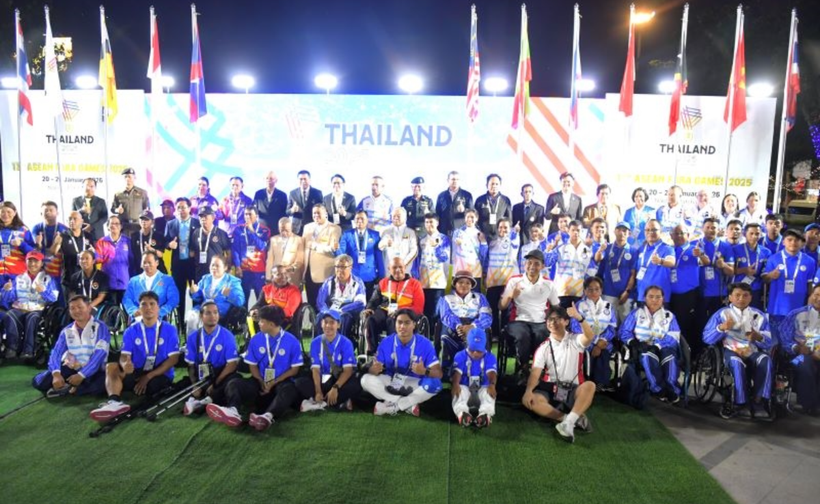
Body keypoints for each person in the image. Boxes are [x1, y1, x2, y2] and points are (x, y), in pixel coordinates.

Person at [206, 304, 303, 430]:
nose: (259, 324)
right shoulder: (256, 339)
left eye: (262, 321)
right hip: (259, 382)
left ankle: (267, 417)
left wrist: (274, 382)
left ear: (272, 324)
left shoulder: (292, 341)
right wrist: (260, 380)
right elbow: (253, 365)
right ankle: (233, 410)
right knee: (234, 383)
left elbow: (294, 370)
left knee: (289, 390)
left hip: (280, 383)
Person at [89, 291, 180, 421]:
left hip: (159, 374)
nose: (148, 307)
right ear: (139, 308)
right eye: (144, 304)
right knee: (111, 366)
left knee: (154, 387)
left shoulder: (169, 329)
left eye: (152, 304)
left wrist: (148, 377)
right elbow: (124, 355)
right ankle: (114, 402)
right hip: (136, 371)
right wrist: (125, 363)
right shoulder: (131, 330)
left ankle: (135, 391)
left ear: (158, 307)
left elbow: (173, 359)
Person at [522, 305, 595, 443]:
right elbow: (535, 373)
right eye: (550, 320)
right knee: (532, 400)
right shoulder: (543, 347)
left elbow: (590, 336)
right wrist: (529, 390)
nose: (552, 323)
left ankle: (569, 421)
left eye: (557, 319)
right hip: (550, 388)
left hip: (573, 388)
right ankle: (568, 419)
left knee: (590, 386)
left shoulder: (576, 340)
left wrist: (579, 318)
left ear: (566, 321)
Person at [703, 282, 774, 420]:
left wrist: (758, 336)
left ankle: (759, 401)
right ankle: (741, 403)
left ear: (751, 298)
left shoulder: (759, 316)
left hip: (751, 350)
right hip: (730, 350)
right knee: (736, 362)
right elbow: (706, 338)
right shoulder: (722, 314)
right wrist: (721, 328)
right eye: (737, 295)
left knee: (766, 360)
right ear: (730, 297)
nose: (741, 298)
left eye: (745, 295)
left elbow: (770, 342)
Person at [361, 308, 442, 416]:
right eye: (399, 322)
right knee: (365, 380)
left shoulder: (425, 344)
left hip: (415, 382)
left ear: (414, 324)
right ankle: (406, 405)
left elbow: (439, 373)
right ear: (395, 324)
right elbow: (374, 369)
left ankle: (393, 406)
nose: (402, 327)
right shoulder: (386, 342)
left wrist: (424, 371)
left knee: (435, 384)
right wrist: (373, 370)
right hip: (391, 381)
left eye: (407, 323)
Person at [31, 295, 110, 397]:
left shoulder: (101, 327)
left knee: (99, 386)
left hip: (96, 371)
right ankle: (70, 387)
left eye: (80, 307)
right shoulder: (66, 331)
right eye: (72, 308)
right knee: (41, 382)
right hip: (73, 368)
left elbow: (99, 355)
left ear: (89, 307)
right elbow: (56, 353)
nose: (76, 311)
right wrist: (56, 374)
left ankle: (71, 389)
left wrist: (82, 375)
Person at [499, 249, 560, 375]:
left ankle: (538, 369)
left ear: (542, 266)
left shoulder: (548, 284)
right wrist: (510, 295)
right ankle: (524, 368)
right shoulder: (514, 281)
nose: (532, 266)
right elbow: (501, 306)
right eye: (529, 262)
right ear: (524, 264)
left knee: (542, 334)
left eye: (536, 263)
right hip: (518, 321)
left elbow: (556, 307)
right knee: (522, 335)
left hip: (540, 321)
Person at [620, 285, 683, 403]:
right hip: (644, 346)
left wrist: (658, 345)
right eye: (651, 297)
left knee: (670, 358)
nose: (654, 300)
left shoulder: (669, 316)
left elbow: (674, 335)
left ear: (663, 299)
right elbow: (624, 331)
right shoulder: (636, 313)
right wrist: (633, 342)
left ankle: (673, 390)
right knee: (647, 355)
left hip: (664, 347)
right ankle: (659, 389)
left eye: (658, 297)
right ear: (645, 298)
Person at [181, 300, 242, 416]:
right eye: (208, 313)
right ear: (201, 316)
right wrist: (195, 385)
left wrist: (214, 384)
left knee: (233, 382)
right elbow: (190, 365)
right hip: (202, 374)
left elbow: (232, 365)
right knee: (184, 384)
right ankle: (200, 400)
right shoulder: (193, 337)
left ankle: (199, 402)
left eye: (215, 313)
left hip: (221, 374)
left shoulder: (227, 335)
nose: (212, 316)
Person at [296, 309, 362, 413]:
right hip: (321, 380)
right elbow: (316, 370)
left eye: (332, 322)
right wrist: (318, 391)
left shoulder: (346, 343)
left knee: (356, 385)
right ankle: (336, 402)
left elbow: (348, 370)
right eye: (325, 322)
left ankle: (317, 403)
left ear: (338, 325)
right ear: (321, 324)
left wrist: (335, 388)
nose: (328, 325)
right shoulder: (315, 342)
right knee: (300, 382)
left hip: (338, 381)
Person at [2, 251, 60, 359]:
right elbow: (9, 298)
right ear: (26, 262)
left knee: (32, 318)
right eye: (30, 261)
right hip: (20, 308)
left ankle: (28, 351)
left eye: (35, 261)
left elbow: (54, 298)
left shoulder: (48, 279)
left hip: (38, 310)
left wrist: (43, 291)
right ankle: (12, 348)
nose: (32, 264)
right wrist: (7, 290)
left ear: (42, 263)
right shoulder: (19, 278)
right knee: (9, 315)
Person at [363, 257, 425, 355]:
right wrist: (369, 308)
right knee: (371, 320)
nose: (397, 270)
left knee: (393, 321)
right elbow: (374, 300)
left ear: (405, 267)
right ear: (389, 269)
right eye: (394, 267)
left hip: (406, 312)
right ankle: (373, 353)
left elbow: (418, 307)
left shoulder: (415, 284)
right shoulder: (383, 282)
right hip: (385, 309)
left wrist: (401, 311)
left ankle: (393, 353)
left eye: (400, 267)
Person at [763, 228, 815, 342]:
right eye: (789, 240)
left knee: (795, 339)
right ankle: (776, 359)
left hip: (798, 307)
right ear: (783, 242)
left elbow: (810, 285)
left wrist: (810, 305)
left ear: (802, 243)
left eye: (797, 240)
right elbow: (765, 280)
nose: (793, 243)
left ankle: (792, 359)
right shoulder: (774, 258)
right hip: (777, 307)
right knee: (776, 340)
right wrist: (770, 275)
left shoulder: (809, 261)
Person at [693, 217, 735, 355]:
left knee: (717, 325)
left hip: (719, 292)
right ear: (702, 229)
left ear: (719, 230)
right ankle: (699, 352)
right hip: (698, 292)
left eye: (714, 227)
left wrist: (723, 265)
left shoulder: (726, 247)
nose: (711, 230)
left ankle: (715, 354)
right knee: (699, 323)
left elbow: (731, 271)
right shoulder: (694, 245)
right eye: (708, 227)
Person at [438, 270, 492, 371]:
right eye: (461, 282)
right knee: (445, 336)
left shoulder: (480, 298)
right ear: (455, 284)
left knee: (481, 335)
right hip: (454, 326)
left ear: (472, 285)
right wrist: (458, 326)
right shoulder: (446, 298)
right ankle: (448, 369)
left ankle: (478, 369)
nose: (464, 285)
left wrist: (473, 326)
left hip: (475, 325)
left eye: (468, 283)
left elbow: (486, 316)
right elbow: (446, 316)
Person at [571, 277, 617, 390]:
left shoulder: (608, 306)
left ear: (601, 290)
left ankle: (601, 383)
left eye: (597, 289)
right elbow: (576, 327)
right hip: (585, 339)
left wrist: (602, 341)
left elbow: (612, 327)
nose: (593, 292)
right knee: (590, 350)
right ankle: (586, 380)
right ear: (585, 291)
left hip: (603, 342)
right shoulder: (578, 305)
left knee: (604, 351)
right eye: (590, 289)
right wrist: (596, 341)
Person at [780, 284, 820, 416]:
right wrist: (796, 348)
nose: (818, 299)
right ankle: (809, 405)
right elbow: (784, 338)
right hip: (798, 356)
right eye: (816, 295)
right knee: (805, 365)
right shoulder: (796, 314)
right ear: (811, 296)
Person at [451, 328, 498, 428]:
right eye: (472, 350)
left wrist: (492, 385)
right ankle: (462, 414)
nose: (475, 353)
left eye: (479, 350)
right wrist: (455, 385)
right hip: (466, 390)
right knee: (460, 390)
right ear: (468, 345)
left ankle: (485, 414)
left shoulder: (490, 357)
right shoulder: (460, 355)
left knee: (488, 392)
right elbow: (457, 373)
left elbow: (492, 373)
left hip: (481, 390)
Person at [165, 197, 200, 325]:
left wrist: (194, 250)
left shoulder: (197, 223)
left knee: (195, 293)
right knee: (179, 295)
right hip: (178, 266)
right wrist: (169, 245)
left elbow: (202, 241)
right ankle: (180, 324)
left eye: (184, 207)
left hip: (193, 265)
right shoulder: (171, 224)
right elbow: (165, 241)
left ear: (189, 208)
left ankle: (196, 322)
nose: (181, 210)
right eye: (178, 207)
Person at [544, 220, 595, 307]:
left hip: (579, 293)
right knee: (561, 318)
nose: (576, 233)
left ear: (582, 231)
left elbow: (590, 272)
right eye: (573, 230)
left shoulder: (588, 250)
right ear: (568, 231)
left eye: (578, 230)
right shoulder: (561, 248)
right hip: (562, 292)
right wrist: (548, 251)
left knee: (575, 319)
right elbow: (547, 263)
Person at [188, 256, 245, 333]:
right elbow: (198, 298)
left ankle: (205, 341)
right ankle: (192, 342)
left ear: (225, 268)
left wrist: (229, 294)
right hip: (203, 308)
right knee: (192, 315)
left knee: (207, 316)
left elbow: (240, 301)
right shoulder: (206, 279)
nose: (214, 268)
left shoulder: (232, 281)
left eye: (217, 265)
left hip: (220, 311)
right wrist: (194, 292)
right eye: (212, 265)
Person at [668, 224, 701, 356]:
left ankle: (690, 358)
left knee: (688, 327)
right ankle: (676, 355)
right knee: (674, 327)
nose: (679, 236)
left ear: (688, 235)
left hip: (689, 296)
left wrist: (702, 255)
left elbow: (705, 261)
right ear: (671, 236)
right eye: (676, 233)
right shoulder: (669, 251)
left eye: (682, 233)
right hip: (671, 296)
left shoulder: (693, 250)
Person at [316, 254, 367, 337]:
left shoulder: (358, 283)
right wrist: (327, 312)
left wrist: (343, 310)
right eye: (337, 267)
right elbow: (320, 301)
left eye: (343, 267)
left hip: (347, 312)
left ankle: (340, 345)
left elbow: (360, 303)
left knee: (343, 319)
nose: (339, 270)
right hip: (330, 310)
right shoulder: (328, 282)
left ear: (350, 268)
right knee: (320, 317)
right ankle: (322, 344)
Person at [595, 221, 636, 323]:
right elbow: (597, 259)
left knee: (626, 323)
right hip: (608, 291)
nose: (621, 233)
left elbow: (633, 274)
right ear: (614, 231)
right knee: (607, 322)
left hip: (627, 294)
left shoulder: (633, 251)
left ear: (629, 233)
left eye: (624, 230)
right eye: (619, 230)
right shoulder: (607, 247)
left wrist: (627, 291)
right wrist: (600, 250)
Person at [482, 218, 519, 331]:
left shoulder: (513, 241)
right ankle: (494, 334)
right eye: (501, 227)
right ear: (497, 229)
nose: (503, 230)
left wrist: (516, 231)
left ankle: (505, 333)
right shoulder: (492, 243)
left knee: (506, 310)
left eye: (506, 227)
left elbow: (514, 238)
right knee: (491, 308)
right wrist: (484, 275)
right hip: (493, 282)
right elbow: (486, 260)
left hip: (508, 282)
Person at [337, 211, 383, 300]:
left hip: (370, 275)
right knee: (354, 303)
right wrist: (336, 249)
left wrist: (381, 275)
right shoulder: (347, 234)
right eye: (357, 218)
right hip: (353, 275)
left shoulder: (375, 235)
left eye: (362, 219)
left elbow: (379, 256)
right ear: (354, 220)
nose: (359, 221)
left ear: (367, 220)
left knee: (369, 303)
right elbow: (341, 254)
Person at [302, 204, 341, 308]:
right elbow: (303, 248)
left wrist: (315, 246)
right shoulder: (307, 227)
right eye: (314, 213)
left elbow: (332, 249)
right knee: (312, 304)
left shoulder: (334, 228)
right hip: (309, 273)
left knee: (325, 305)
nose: (316, 215)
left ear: (325, 214)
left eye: (318, 213)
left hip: (325, 273)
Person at [122, 251, 179, 321]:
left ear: (157, 263)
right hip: (139, 317)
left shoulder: (167, 280)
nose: (146, 265)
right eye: (144, 263)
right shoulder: (133, 281)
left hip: (159, 317)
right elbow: (127, 299)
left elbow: (174, 299)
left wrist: (161, 311)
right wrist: (133, 311)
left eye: (149, 262)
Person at [231, 207, 271, 302]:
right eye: (246, 214)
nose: (247, 216)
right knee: (243, 299)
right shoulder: (238, 229)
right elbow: (235, 249)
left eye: (250, 214)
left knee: (261, 300)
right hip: (244, 269)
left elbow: (262, 246)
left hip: (259, 270)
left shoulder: (264, 230)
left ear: (256, 216)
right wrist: (237, 266)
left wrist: (252, 231)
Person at [417, 213, 450, 324]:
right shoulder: (422, 240)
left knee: (436, 311)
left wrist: (436, 247)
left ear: (437, 223)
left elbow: (445, 258)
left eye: (431, 222)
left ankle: (435, 336)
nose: (429, 224)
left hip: (438, 280)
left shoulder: (444, 239)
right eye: (426, 222)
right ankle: (426, 334)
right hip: (424, 280)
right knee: (425, 309)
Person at [633, 219, 675, 305]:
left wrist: (661, 261)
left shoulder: (667, 248)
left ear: (661, 231)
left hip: (659, 298)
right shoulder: (641, 249)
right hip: (642, 296)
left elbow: (671, 262)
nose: (650, 232)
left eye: (654, 230)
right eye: (647, 230)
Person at [733, 223, 771, 309]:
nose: (754, 236)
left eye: (757, 234)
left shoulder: (766, 252)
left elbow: (766, 270)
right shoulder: (735, 249)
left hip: (757, 288)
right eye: (751, 233)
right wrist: (744, 270)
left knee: (754, 314)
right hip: (739, 287)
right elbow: (730, 270)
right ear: (744, 234)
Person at [27, 201, 68, 281]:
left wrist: (57, 244)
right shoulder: (36, 228)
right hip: (41, 264)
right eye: (46, 210)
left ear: (57, 213)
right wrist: (38, 244)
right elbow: (35, 248)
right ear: (41, 214)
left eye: (51, 210)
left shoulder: (64, 229)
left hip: (58, 265)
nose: (48, 212)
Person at [95, 216, 131, 305]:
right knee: (111, 312)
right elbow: (97, 260)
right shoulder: (101, 242)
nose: (114, 226)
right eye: (111, 223)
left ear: (121, 226)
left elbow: (132, 262)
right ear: (107, 226)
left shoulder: (128, 241)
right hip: (108, 283)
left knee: (128, 312)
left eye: (117, 223)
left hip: (125, 283)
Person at [57, 211, 94, 295]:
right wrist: (56, 243)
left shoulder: (88, 236)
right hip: (69, 279)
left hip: (87, 279)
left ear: (81, 221)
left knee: (86, 306)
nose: (72, 221)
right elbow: (53, 252)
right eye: (70, 219)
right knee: (71, 306)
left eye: (75, 219)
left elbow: (95, 255)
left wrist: (94, 253)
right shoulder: (62, 236)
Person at [190, 206, 231, 282]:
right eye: (201, 216)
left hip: (216, 272)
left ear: (213, 217)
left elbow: (228, 253)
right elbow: (192, 253)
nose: (203, 219)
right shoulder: (196, 233)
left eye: (205, 216)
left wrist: (227, 268)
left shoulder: (221, 233)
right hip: (200, 273)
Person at [452, 209, 485, 290]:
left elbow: (483, 254)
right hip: (460, 270)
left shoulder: (480, 234)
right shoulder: (458, 232)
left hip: (475, 271)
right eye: (467, 217)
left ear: (477, 218)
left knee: (474, 297)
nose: (469, 219)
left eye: (472, 217)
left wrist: (483, 242)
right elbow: (453, 250)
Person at [266, 217, 305, 288]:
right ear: (278, 228)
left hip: (292, 277)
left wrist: (288, 269)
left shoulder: (299, 240)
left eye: (287, 230)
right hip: (276, 278)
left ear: (291, 228)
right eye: (282, 230)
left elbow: (300, 261)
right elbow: (270, 260)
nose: (284, 232)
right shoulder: (273, 239)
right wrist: (268, 277)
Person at [111, 167, 150, 236]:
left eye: (129, 177)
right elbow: (113, 209)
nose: (127, 179)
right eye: (125, 177)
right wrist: (117, 210)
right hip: (123, 226)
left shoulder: (142, 193)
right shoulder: (118, 194)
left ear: (134, 178)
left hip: (137, 226)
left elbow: (147, 209)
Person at [378, 207, 418, 272]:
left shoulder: (411, 232)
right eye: (394, 216)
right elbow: (380, 246)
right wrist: (386, 243)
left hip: (405, 270)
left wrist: (403, 264)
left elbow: (414, 251)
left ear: (405, 218)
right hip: (390, 270)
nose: (396, 218)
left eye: (398, 216)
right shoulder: (386, 231)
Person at [475, 173, 512, 242]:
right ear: (487, 185)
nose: (494, 186)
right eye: (492, 184)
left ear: (500, 185)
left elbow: (509, 220)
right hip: (483, 237)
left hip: (500, 237)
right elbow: (475, 220)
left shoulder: (506, 200)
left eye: (496, 184)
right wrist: (479, 233)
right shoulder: (480, 200)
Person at [435, 170, 473, 237]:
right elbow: (437, 215)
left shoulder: (467, 195)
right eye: (453, 179)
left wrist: (464, 210)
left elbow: (472, 214)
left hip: (461, 232)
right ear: (448, 180)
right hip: (444, 232)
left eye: (457, 179)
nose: (455, 181)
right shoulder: (441, 196)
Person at [129, 210, 166, 276]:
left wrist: (152, 250)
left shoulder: (158, 236)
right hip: (140, 270)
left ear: (152, 221)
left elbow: (160, 254)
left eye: (146, 219)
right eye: (142, 219)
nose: (144, 221)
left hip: (156, 270)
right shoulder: (134, 236)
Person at [0, 201, 32, 277]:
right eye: (2, 212)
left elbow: (33, 253)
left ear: (15, 213)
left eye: (9, 212)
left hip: (18, 274)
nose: (5, 215)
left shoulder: (24, 230)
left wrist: (21, 244)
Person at [287, 170, 323, 235]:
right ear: (298, 180)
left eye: (305, 179)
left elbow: (322, 211)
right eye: (301, 179)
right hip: (296, 228)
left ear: (309, 180)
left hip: (312, 227)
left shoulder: (317, 193)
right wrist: (292, 210)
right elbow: (287, 212)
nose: (303, 181)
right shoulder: (292, 193)